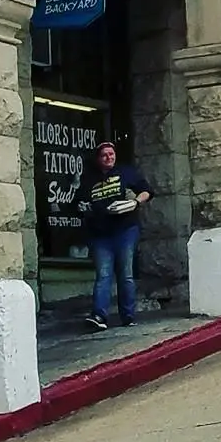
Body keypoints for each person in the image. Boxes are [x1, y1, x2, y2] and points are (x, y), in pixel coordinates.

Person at [76, 141, 151, 330]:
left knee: (125, 274)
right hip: (100, 234)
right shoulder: (89, 179)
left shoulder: (126, 172)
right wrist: (83, 207)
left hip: (125, 229)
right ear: (98, 159)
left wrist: (134, 202)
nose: (109, 157)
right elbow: (78, 202)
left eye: (111, 154)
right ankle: (99, 316)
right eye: (104, 155)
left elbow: (147, 191)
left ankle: (128, 316)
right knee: (103, 274)